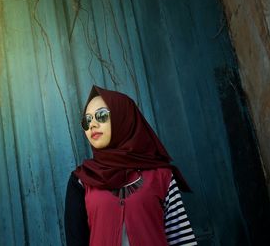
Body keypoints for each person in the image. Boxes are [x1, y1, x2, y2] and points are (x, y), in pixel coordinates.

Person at [64, 85, 197, 246]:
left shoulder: (162, 176)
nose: (92, 125)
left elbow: (181, 239)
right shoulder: (81, 180)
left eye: (101, 115)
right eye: (87, 120)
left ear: (124, 117)